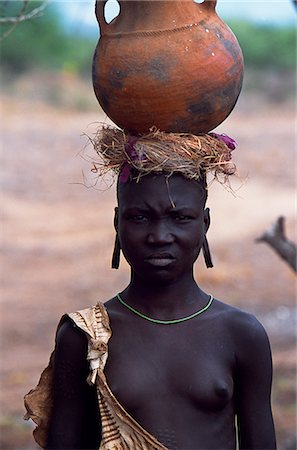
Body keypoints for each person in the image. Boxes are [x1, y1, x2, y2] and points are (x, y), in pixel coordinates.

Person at [24, 129, 276, 450]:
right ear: (118, 223)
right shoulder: (86, 336)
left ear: (205, 223)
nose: (159, 236)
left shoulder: (241, 334)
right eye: (140, 217)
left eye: (180, 217)